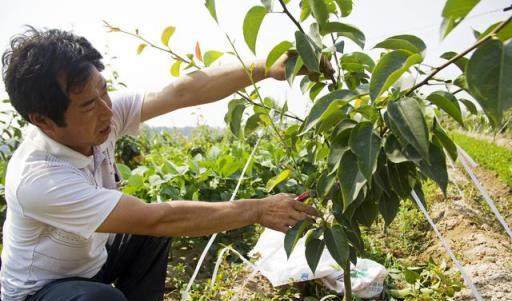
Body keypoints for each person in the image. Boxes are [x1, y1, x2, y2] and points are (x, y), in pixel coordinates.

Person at [0, 27, 319, 301]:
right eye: (87, 105)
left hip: (92, 263)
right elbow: (157, 219)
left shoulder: (101, 118)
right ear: (43, 121)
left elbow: (180, 92)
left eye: (105, 91)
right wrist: (259, 209)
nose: (107, 111)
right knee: (100, 296)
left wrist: (265, 67)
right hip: (43, 291)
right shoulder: (39, 178)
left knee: (145, 235)